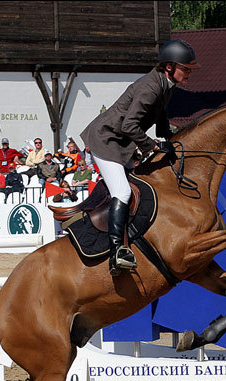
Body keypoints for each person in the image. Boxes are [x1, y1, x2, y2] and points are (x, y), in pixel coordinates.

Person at [80, 38, 199, 275]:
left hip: (120, 142)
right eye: (185, 69)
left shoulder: (166, 85)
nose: (189, 73)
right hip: (106, 140)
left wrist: (170, 138)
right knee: (122, 192)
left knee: (140, 186)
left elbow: (160, 116)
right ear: (169, 67)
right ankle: (117, 252)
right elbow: (129, 125)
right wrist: (151, 145)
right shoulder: (150, 87)